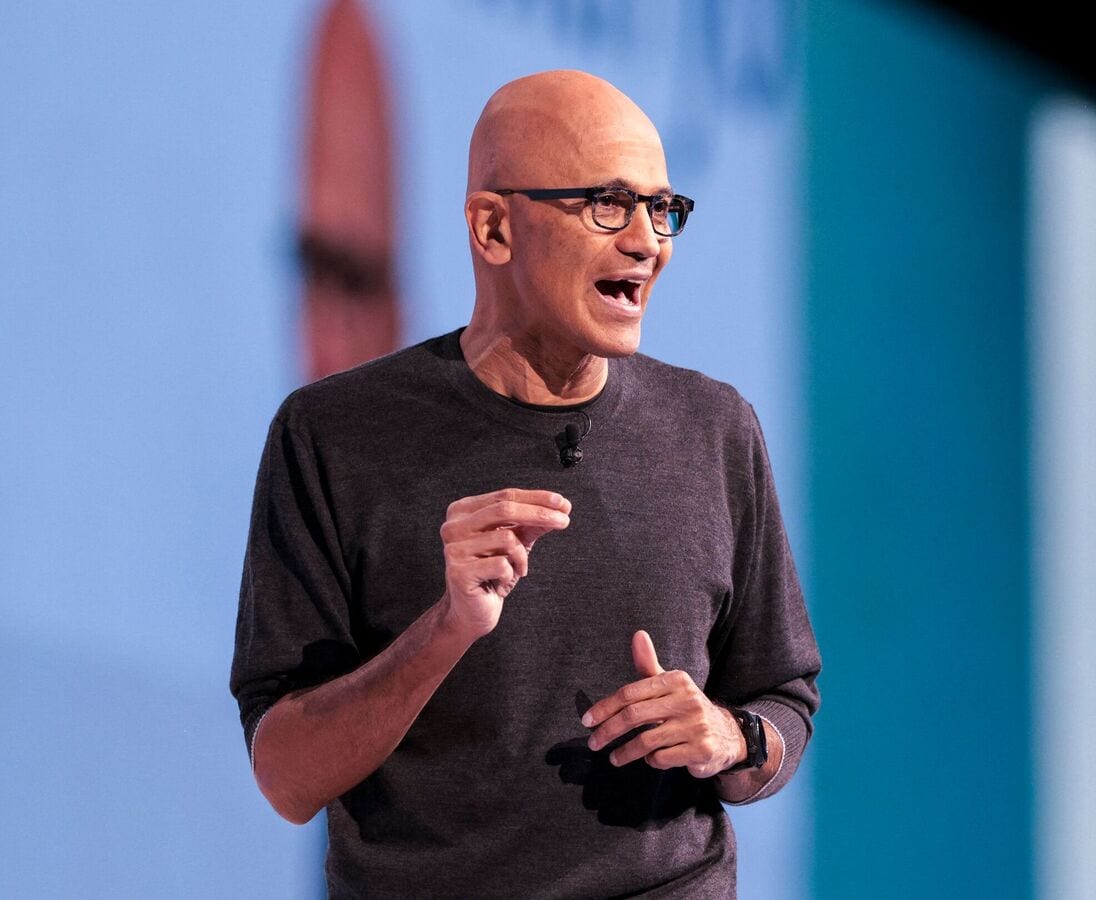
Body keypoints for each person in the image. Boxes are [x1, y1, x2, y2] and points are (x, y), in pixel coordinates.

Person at [229, 70, 821, 898]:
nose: (647, 241)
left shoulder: (714, 428)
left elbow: (783, 700)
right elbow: (287, 777)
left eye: (662, 208)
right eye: (608, 203)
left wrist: (731, 737)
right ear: (494, 228)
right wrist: (445, 630)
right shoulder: (334, 435)